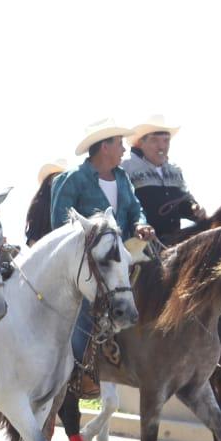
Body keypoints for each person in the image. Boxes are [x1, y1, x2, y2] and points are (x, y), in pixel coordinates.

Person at [51, 119, 155, 366]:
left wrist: (140, 223)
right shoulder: (73, 179)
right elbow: (59, 225)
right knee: (83, 318)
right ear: (104, 147)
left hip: (119, 260)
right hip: (87, 267)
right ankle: (75, 370)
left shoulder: (122, 178)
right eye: (119, 144)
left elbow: (134, 209)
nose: (124, 149)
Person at [122, 115, 205, 242]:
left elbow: (184, 203)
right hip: (141, 245)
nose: (161, 146)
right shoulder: (126, 168)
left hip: (174, 245)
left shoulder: (174, 170)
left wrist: (194, 209)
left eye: (166, 140)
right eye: (154, 140)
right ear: (140, 143)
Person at [24, 159, 68, 247]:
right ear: (49, 181)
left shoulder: (67, 205)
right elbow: (33, 240)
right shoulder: (39, 205)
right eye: (57, 177)